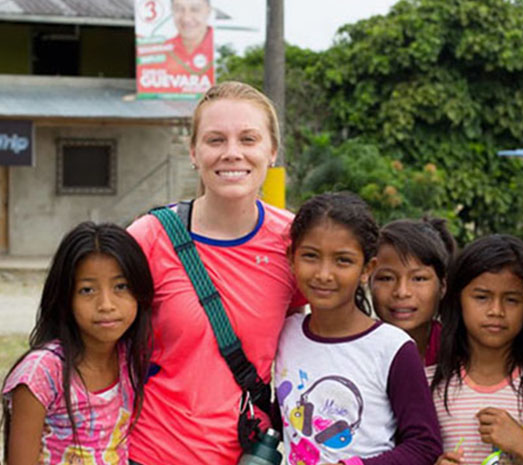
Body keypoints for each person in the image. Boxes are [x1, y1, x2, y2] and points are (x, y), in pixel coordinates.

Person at [127, 81, 306, 465]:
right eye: (215, 140)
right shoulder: (149, 237)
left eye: (248, 139)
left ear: (271, 151)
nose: (232, 153)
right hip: (150, 451)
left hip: (248, 453)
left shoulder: (296, 243)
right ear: (193, 152)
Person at [275, 192, 442, 465]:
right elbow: (285, 415)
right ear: (291, 258)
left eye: (343, 260)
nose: (324, 274)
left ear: (367, 269)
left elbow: (424, 445)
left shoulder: (393, 348)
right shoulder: (287, 333)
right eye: (311, 256)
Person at [2, 222, 153, 465]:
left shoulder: (131, 358)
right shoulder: (42, 374)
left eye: (120, 287)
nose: (106, 304)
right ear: (65, 297)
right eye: (87, 290)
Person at [429, 235, 523, 465]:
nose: (496, 310)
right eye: (482, 297)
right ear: (458, 300)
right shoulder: (429, 385)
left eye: (511, 300)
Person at [370, 217, 455, 366]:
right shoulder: (355, 353)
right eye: (386, 278)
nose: (402, 292)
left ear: (442, 286)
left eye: (419, 279)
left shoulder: (461, 353)